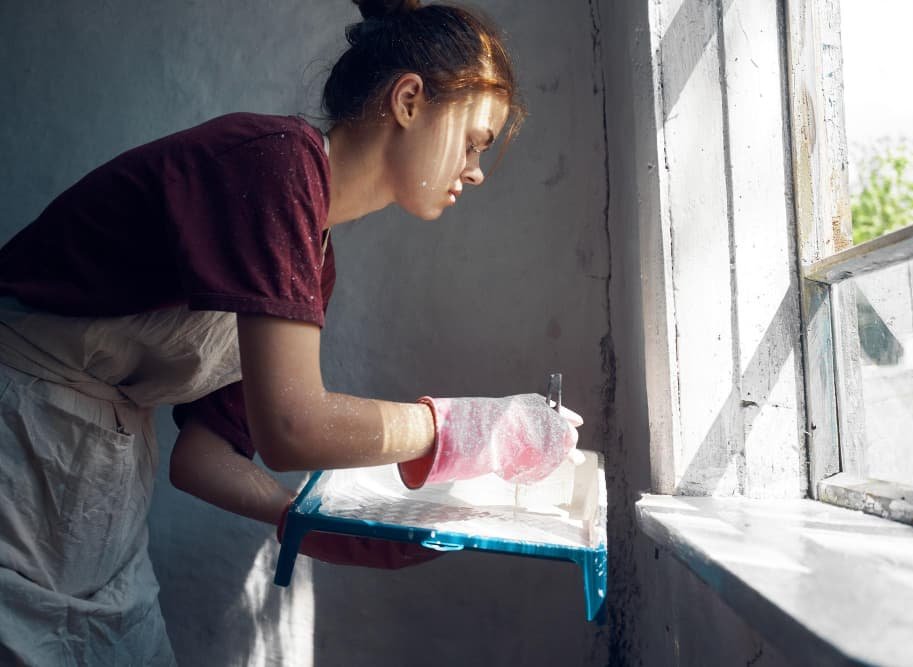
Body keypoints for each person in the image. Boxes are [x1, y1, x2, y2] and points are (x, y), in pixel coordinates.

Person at [0, 1, 583, 664]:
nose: (475, 170)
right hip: (16, 439)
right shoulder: (276, 165)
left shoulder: (314, 257)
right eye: (475, 141)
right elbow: (292, 425)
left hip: (94, 491)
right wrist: (469, 430)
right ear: (411, 100)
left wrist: (308, 523)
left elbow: (203, 453)